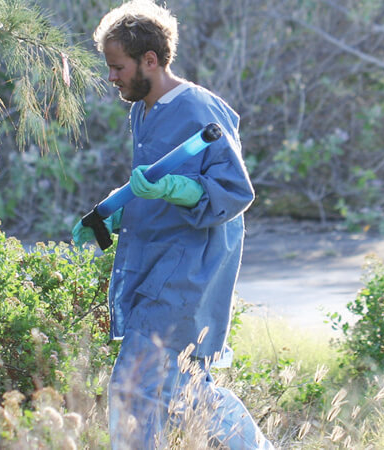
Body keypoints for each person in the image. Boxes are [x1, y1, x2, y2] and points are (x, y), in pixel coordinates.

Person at [72, 1, 273, 448]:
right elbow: (150, 186)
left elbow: (235, 191)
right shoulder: (142, 110)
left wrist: (180, 190)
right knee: (183, 391)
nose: (112, 77)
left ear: (150, 60)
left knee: (133, 387)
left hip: (184, 274)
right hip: (153, 266)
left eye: (117, 67)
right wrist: (115, 213)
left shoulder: (200, 110)